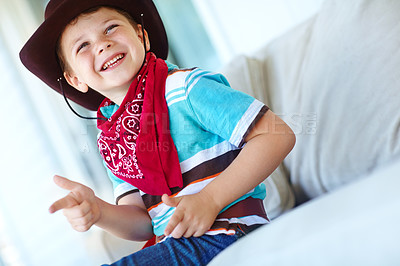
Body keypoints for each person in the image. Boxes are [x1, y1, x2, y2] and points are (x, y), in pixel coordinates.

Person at [20, 0, 295, 265]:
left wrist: (210, 200)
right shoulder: (111, 140)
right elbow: (144, 223)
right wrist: (100, 211)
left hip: (231, 231)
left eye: (111, 28)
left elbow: (277, 134)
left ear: (142, 36)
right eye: (83, 46)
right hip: (176, 242)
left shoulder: (185, 87)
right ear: (75, 79)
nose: (103, 44)